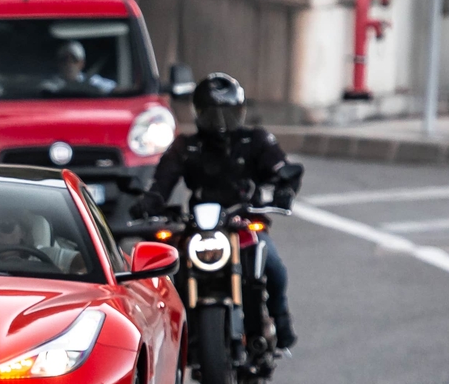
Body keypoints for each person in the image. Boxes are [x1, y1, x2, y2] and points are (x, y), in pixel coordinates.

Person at [137, 73, 301, 348]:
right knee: (167, 270)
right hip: (199, 226)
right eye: (213, 114)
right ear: (199, 113)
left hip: (245, 222)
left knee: (274, 268)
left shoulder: (256, 140)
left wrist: (285, 187)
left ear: (240, 111)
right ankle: (175, 336)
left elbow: (280, 168)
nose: (221, 122)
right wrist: (150, 202)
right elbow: (163, 180)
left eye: (228, 113)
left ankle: (280, 322)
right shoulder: (186, 146)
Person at [41, 40, 117, 96]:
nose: (69, 64)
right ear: (58, 63)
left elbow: (114, 89)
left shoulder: (92, 80)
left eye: (74, 60)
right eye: (64, 60)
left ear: (81, 63)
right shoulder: (49, 85)